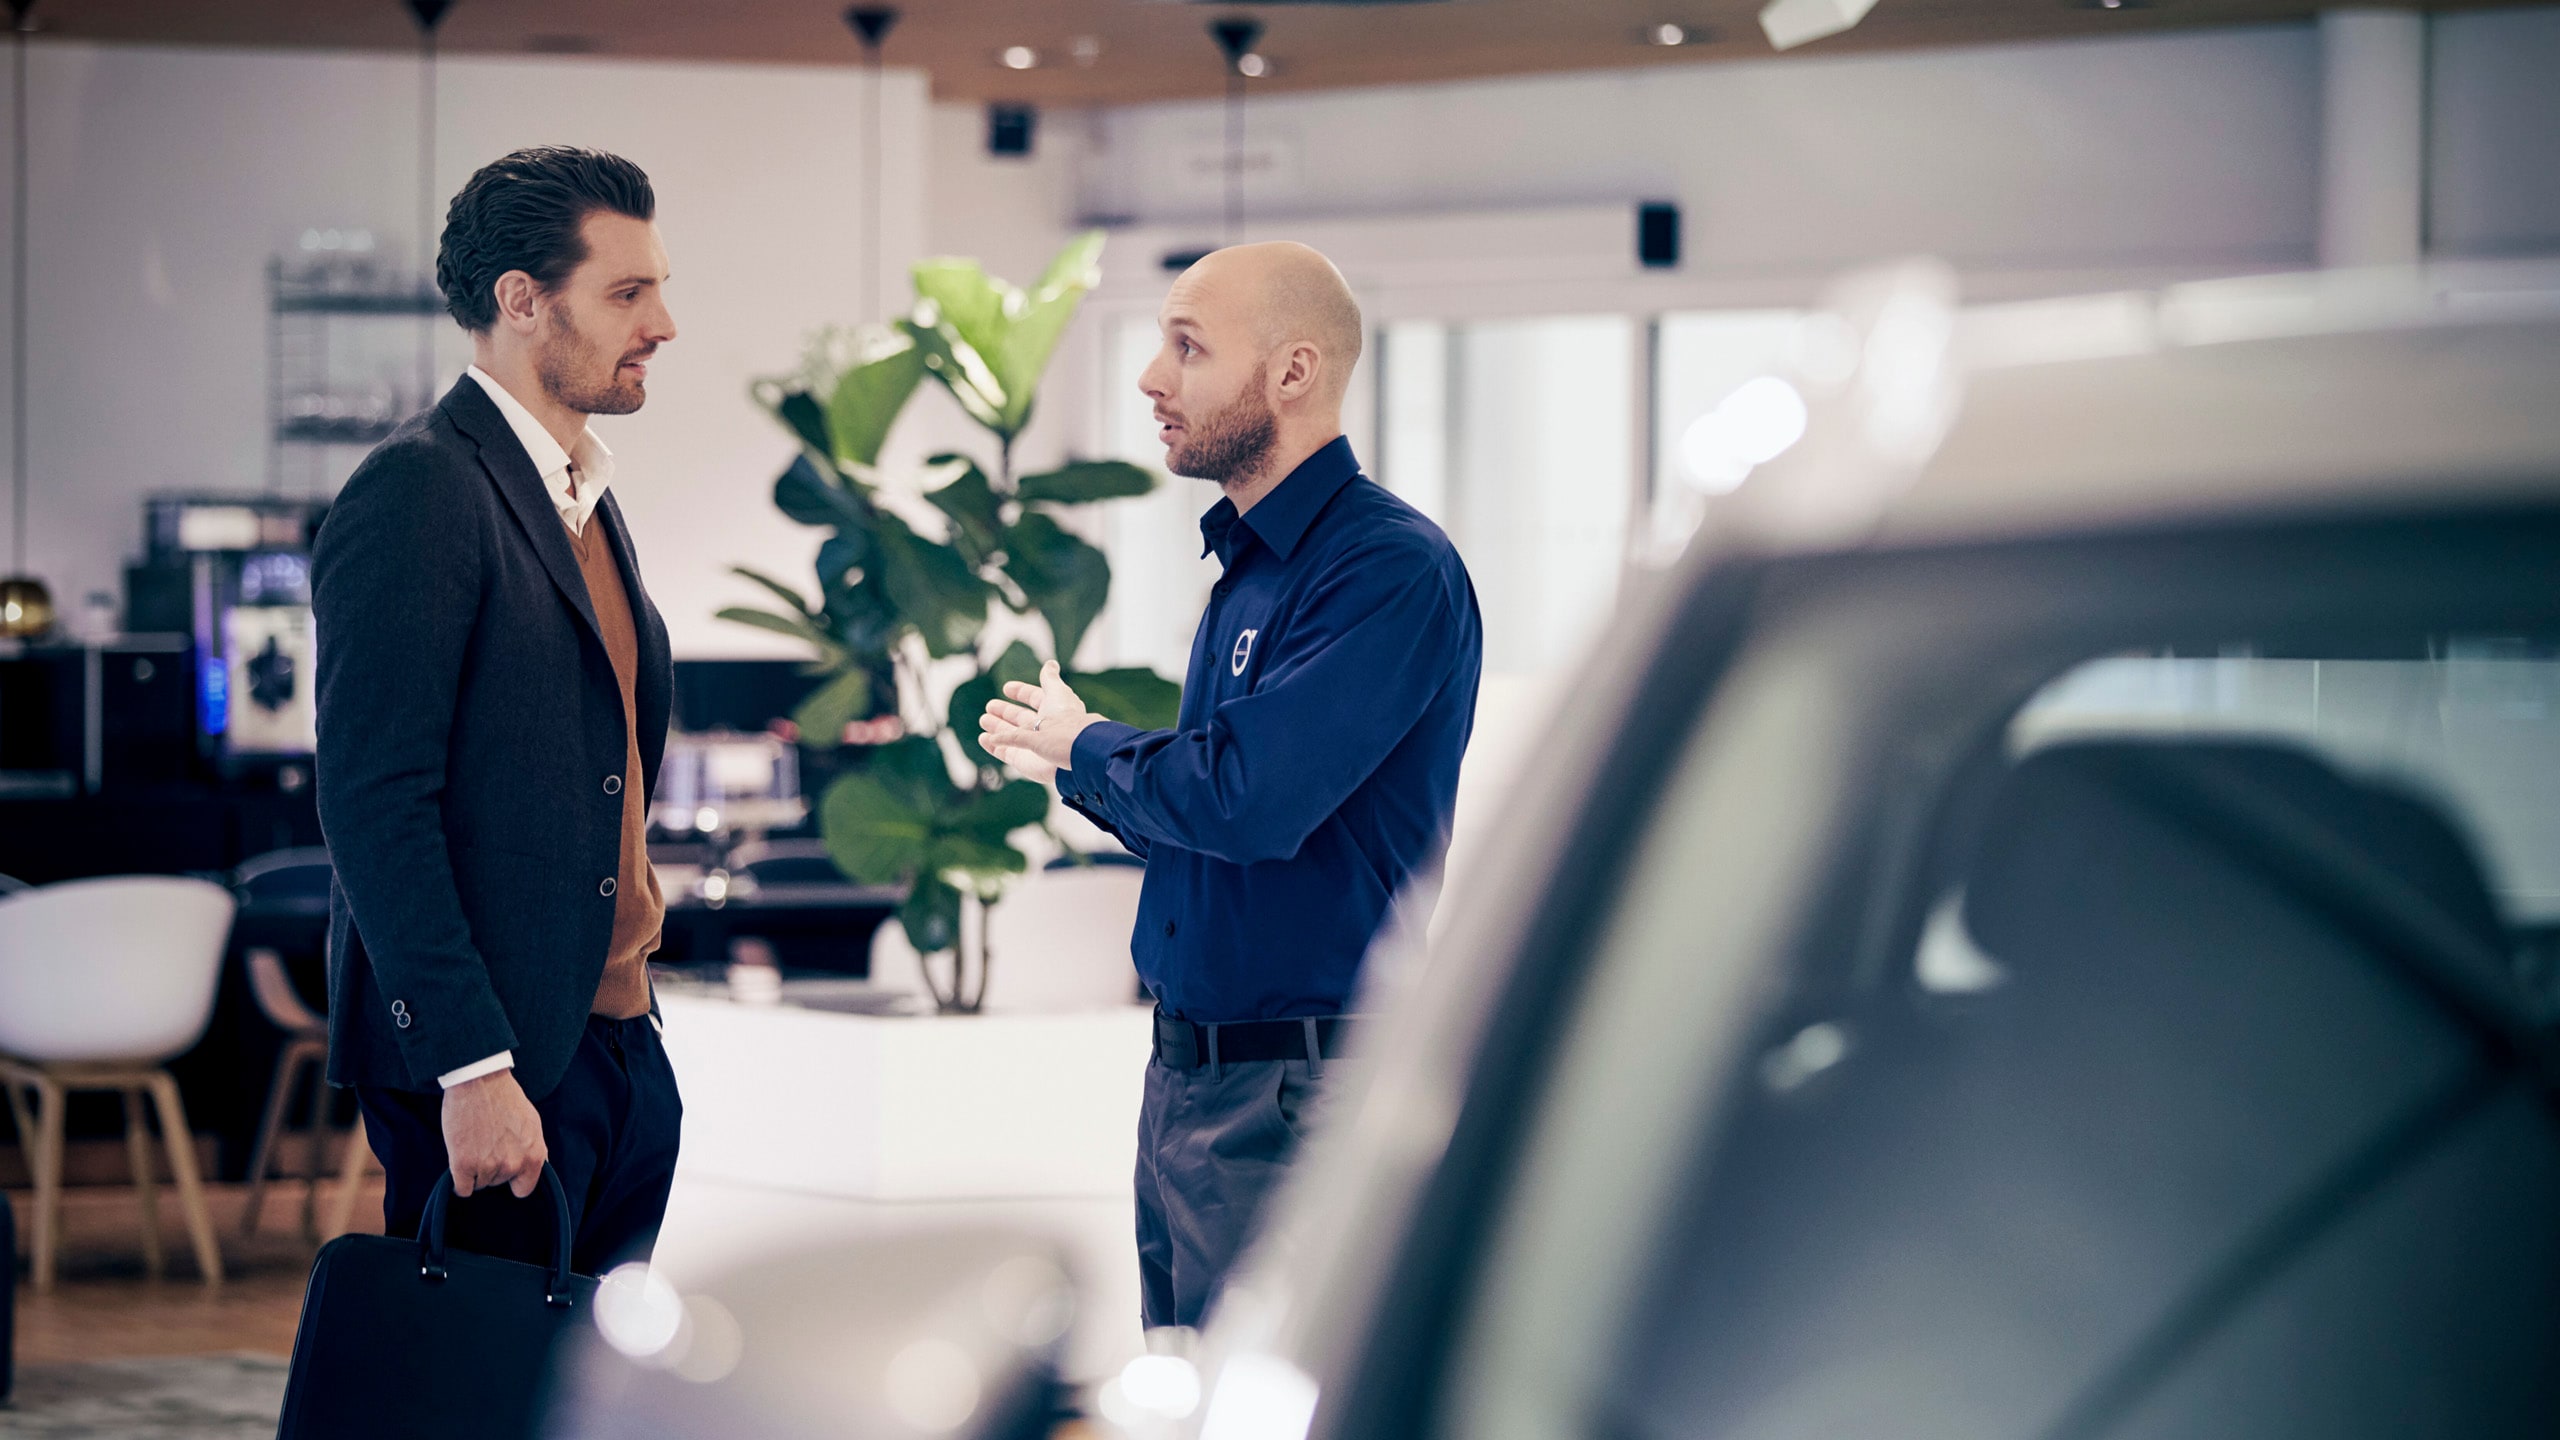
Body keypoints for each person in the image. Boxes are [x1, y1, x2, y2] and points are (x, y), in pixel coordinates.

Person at [979, 242, 1483, 1329]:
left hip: (1299, 1096)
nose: (1153, 380)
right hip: (1196, 1084)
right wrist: (1076, 762)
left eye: (1187, 347)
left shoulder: (1386, 568)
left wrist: (1087, 747)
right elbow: (1216, 830)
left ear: (1293, 372)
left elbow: (1247, 799)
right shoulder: (1250, 566)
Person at [312, 146, 682, 1276]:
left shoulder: (583, 494)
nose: (663, 323)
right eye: (628, 293)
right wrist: (471, 1069)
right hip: (497, 1065)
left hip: (611, 1043)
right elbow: (375, 802)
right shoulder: (421, 487)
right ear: (523, 302)